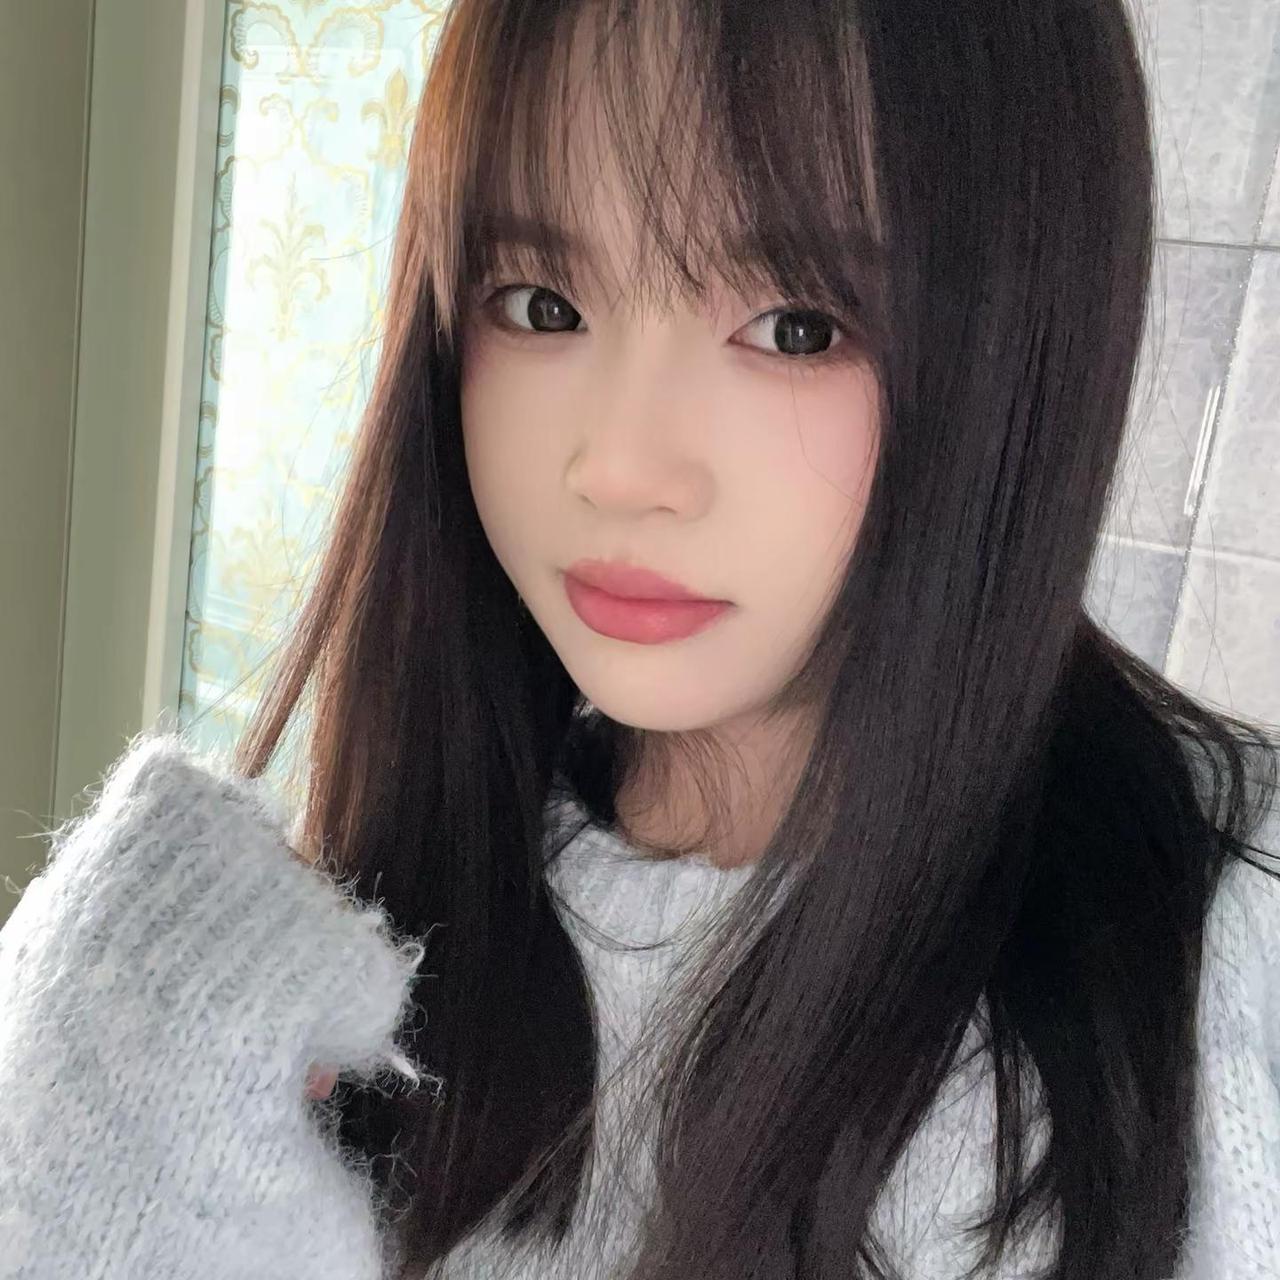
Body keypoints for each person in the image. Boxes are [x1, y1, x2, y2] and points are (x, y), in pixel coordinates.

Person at [2, 1, 1279, 1277]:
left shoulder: (1223, 957)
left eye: (795, 326)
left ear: (1025, 348)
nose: (616, 467)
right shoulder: (379, 907)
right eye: (541, 303)